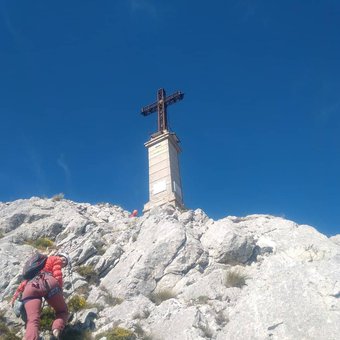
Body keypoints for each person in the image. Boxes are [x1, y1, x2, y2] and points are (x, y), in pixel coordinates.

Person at [11, 253, 70, 340]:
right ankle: (56, 330)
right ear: (60, 256)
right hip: (48, 282)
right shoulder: (55, 259)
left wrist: (14, 299)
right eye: (64, 259)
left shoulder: (36, 267)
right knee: (62, 311)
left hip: (30, 286)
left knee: (32, 320)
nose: (63, 262)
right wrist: (59, 290)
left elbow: (22, 285)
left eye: (65, 263)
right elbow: (57, 274)